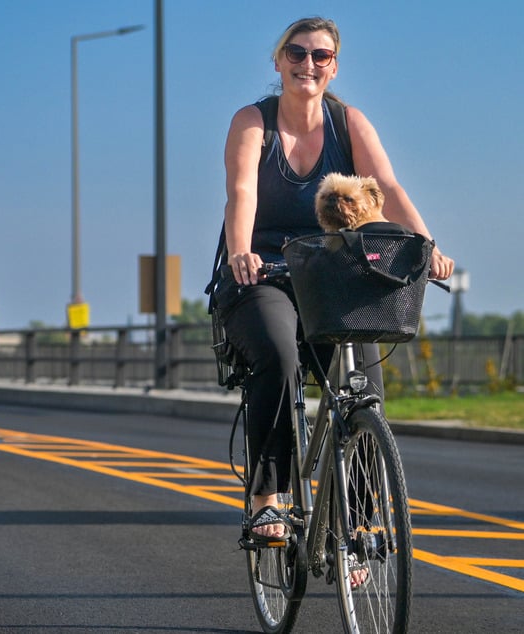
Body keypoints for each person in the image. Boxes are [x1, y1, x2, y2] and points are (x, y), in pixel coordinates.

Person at [214, 17, 454, 568]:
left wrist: (426, 244)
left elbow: (387, 187)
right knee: (277, 356)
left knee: (363, 387)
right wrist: (241, 250)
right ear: (278, 62)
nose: (308, 64)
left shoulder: (348, 122)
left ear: (333, 67)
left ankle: (362, 524)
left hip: (336, 274)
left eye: (321, 56)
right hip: (264, 269)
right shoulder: (254, 123)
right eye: (296, 54)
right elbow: (241, 191)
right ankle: (268, 498)